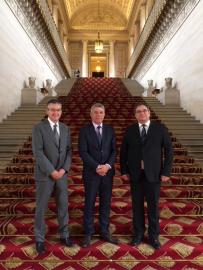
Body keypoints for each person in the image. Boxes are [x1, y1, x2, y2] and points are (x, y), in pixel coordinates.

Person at [120, 103, 173, 249]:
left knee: (153, 207)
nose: (142, 113)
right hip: (135, 175)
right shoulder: (130, 130)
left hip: (154, 174)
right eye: (138, 111)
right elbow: (123, 152)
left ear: (149, 113)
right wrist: (124, 171)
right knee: (136, 206)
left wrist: (166, 172)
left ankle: (153, 236)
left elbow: (169, 151)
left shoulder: (160, 129)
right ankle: (138, 234)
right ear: (135, 115)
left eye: (144, 111)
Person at [32, 99, 72, 254]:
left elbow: (69, 151)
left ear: (61, 111)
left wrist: (63, 169)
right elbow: (38, 152)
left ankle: (64, 235)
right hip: (45, 174)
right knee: (41, 207)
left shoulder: (65, 128)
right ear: (47, 111)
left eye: (58, 110)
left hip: (61, 174)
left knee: (63, 206)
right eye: (52, 110)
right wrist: (52, 171)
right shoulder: (38, 128)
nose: (56, 112)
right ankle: (40, 239)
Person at [78, 103, 117, 247]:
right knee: (89, 203)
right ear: (91, 114)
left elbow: (114, 151)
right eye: (95, 112)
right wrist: (96, 166)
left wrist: (107, 166)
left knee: (105, 203)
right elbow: (83, 152)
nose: (98, 115)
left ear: (104, 114)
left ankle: (105, 231)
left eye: (101, 112)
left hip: (107, 173)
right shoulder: (84, 130)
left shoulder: (110, 130)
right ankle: (88, 232)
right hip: (91, 173)